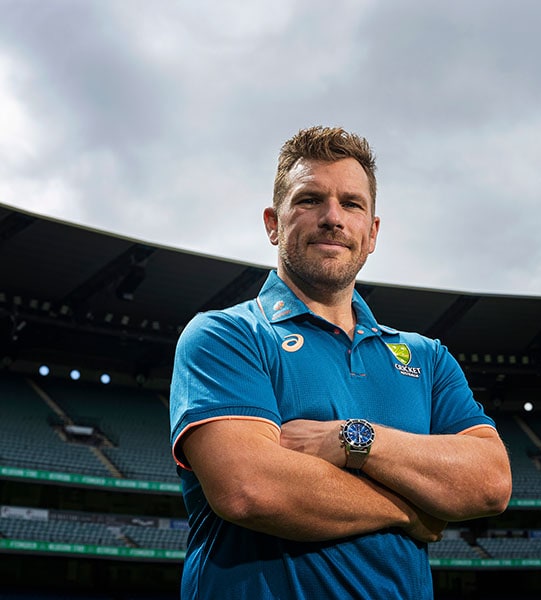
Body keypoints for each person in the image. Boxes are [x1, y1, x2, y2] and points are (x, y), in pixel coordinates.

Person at [169, 126, 512, 599]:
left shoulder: (427, 357)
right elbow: (250, 488)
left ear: (371, 233)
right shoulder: (226, 335)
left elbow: (490, 482)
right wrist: (413, 510)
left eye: (351, 204)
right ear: (273, 223)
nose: (333, 218)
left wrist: (354, 439)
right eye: (310, 200)